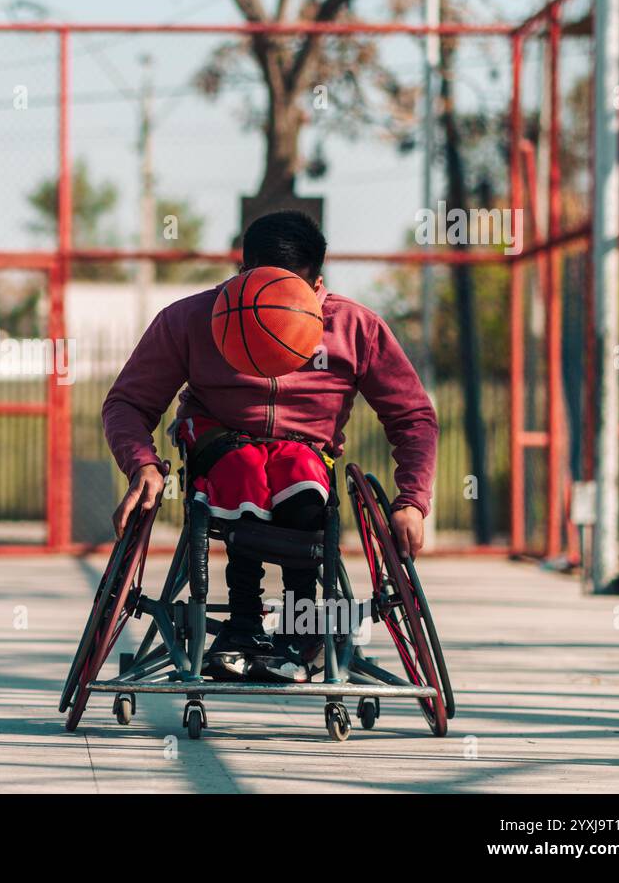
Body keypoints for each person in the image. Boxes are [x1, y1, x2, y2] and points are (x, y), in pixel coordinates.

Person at [102, 210, 438, 682]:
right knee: (242, 471)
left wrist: (411, 502)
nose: (274, 303)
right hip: (221, 442)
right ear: (242, 273)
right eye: (261, 286)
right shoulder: (193, 319)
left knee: (302, 479)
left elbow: (413, 416)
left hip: (306, 449)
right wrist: (144, 465)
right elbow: (127, 403)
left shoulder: (353, 328)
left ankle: (301, 628)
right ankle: (242, 626)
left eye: (291, 293)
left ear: (317, 283)